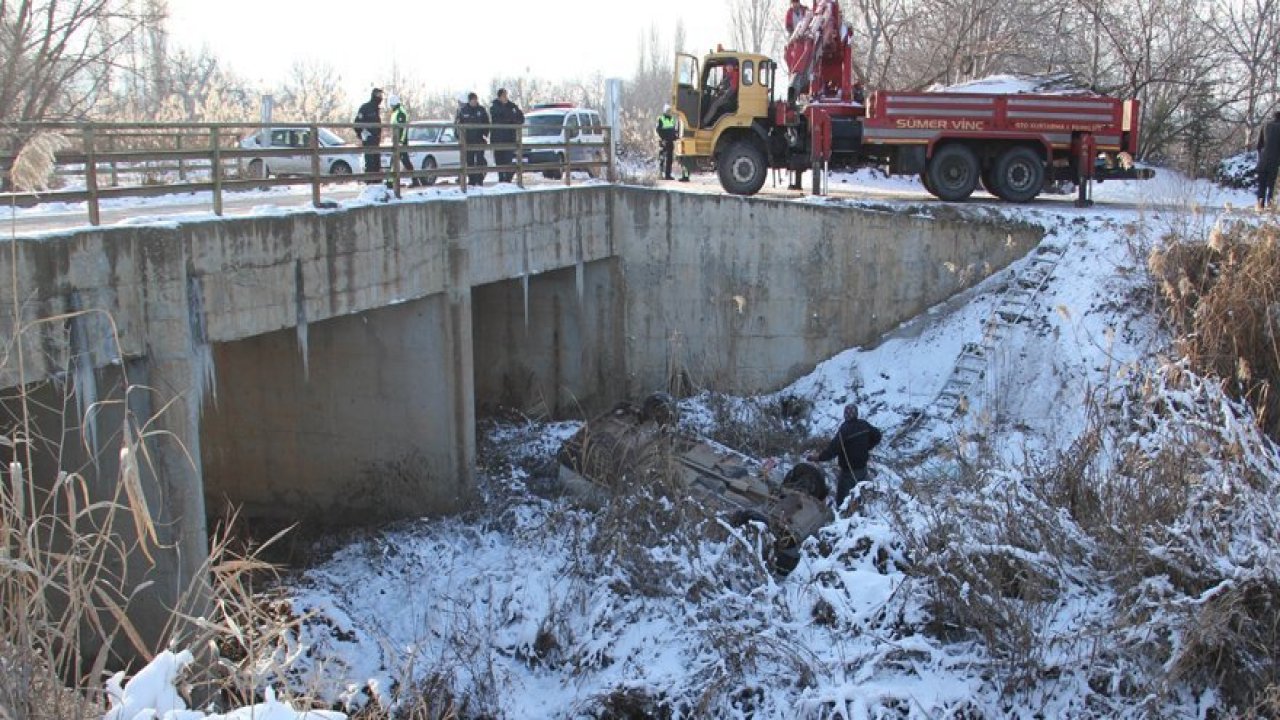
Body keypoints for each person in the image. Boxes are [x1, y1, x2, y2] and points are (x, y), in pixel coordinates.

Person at [808, 403, 881, 508]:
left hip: (848, 473)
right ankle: (860, 511)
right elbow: (878, 436)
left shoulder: (844, 430)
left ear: (845, 415)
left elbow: (832, 451)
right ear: (856, 414)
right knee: (863, 494)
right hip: (863, 469)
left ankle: (842, 516)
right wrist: (867, 447)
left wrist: (818, 458)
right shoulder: (864, 424)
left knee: (842, 501)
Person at [489, 89, 525, 183]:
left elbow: (520, 118)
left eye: (506, 95)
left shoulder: (512, 106)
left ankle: (507, 179)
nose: (505, 97)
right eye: (503, 95)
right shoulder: (494, 107)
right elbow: (501, 116)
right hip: (498, 138)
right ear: (499, 97)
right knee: (499, 160)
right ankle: (501, 179)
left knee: (509, 160)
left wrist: (513, 119)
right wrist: (511, 117)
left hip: (510, 138)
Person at [456, 92, 490, 187]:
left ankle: (479, 180)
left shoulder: (481, 110)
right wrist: (460, 137)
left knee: (480, 160)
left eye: (476, 100)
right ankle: (471, 180)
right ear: (469, 100)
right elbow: (458, 125)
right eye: (473, 100)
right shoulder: (463, 111)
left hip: (479, 139)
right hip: (468, 140)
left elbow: (486, 123)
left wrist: (485, 134)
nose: (475, 102)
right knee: (469, 161)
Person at [354, 88, 384, 183]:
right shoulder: (365, 108)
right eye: (379, 95)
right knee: (370, 161)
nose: (380, 97)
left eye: (381, 95)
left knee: (376, 161)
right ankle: (370, 183)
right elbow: (357, 123)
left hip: (376, 139)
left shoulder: (376, 109)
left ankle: (377, 183)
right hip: (368, 138)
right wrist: (361, 134)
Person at [385, 94, 414, 188]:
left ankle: (390, 182)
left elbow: (402, 128)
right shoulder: (396, 112)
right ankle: (415, 179)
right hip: (397, 140)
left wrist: (400, 141)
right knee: (404, 160)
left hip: (400, 141)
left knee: (395, 160)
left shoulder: (400, 112)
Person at [701, 60, 739, 128]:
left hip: (730, 99)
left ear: (733, 67)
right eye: (727, 66)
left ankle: (704, 122)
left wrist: (723, 94)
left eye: (730, 66)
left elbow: (733, 89)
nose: (729, 67)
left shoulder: (735, 74)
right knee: (711, 99)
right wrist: (719, 90)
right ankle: (709, 120)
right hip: (726, 96)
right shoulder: (728, 75)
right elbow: (723, 86)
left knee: (714, 105)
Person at [1256, 110, 1280, 210]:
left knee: (1262, 185)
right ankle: (1271, 207)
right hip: (1276, 162)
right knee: (1272, 186)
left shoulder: (1265, 125)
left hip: (1263, 161)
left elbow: (1258, 145)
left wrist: (1261, 157)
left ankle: (1260, 206)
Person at [656, 104, 678, 180]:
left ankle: (668, 175)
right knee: (662, 158)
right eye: (668, 111)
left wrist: (675, 137)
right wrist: (663, 138)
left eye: (670, 111)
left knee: (669, 159)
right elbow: (658, 130)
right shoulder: (661, 119)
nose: (669, 112)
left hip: (670, 142)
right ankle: (660, 174)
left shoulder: (672, 119)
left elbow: (673, 130)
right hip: (664, 141)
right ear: (665, 111)